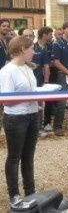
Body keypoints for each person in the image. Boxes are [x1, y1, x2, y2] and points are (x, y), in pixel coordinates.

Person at [0, 36, 39, 206]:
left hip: (32, 115)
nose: (34, 51)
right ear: (23, 49)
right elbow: (6, 100)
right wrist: (30, 96)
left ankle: (30, 192)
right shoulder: (7, 71)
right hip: (16, 118)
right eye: (31, 48)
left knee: (29, 156)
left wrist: (38, 94)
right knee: (14, 157)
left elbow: (30, 90)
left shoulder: (27, 68)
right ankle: (14, 194)